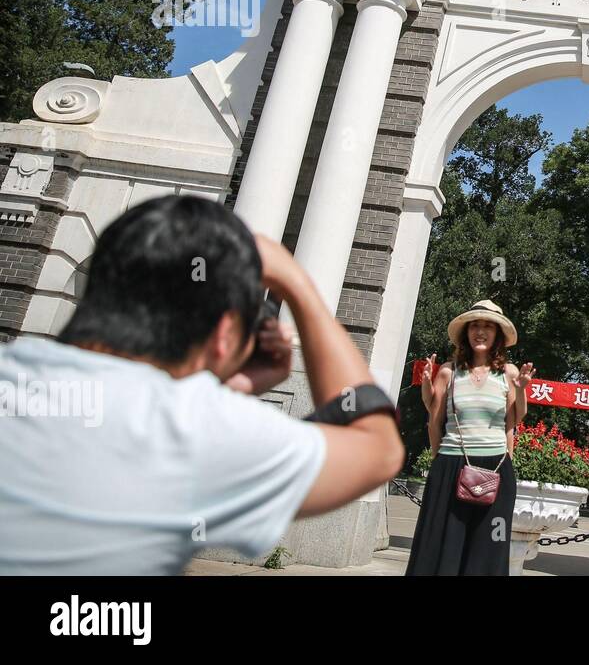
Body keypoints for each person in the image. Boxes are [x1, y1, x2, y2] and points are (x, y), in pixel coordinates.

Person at [0, 195, 405, 574]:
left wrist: (220, 389)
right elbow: (378, 449)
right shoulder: (196, 430)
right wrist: (299, 286)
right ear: (226, 333)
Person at [406, 299, 535, 575]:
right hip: (451, 466)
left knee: (487, 550)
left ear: (498, 335)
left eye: (488, 326)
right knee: (443, 546)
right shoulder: (448, 372)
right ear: (466, 332)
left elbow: (514, 420)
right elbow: (434, 421)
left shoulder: (508, 374)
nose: (481, 331)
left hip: (497, 467)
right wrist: (438, 460)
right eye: (475, 325)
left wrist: (522, 389)